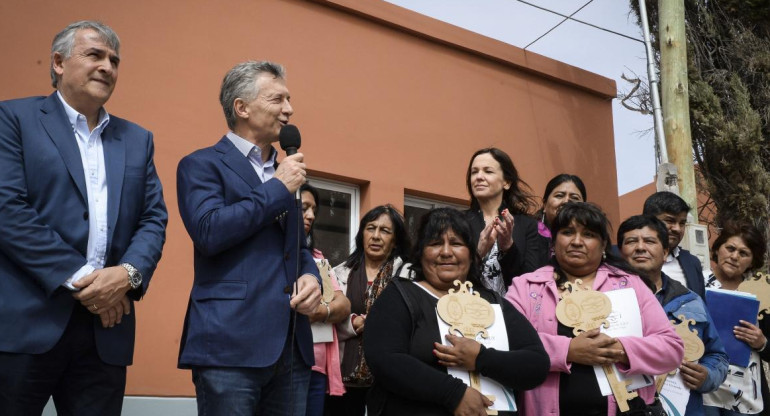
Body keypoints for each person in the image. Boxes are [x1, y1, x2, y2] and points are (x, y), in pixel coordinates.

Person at [0, 20, 168, 415]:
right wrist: (88, 282)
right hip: (28, 323)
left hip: (106, 333)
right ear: (58, 62)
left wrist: (127, 275)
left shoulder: (137, 139)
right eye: (94, 55)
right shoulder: (14, 119)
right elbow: (7, 208)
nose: (108, 66)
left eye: (114, 60)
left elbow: (153, 218)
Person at [176, 61, 322, 415]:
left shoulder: (283, 170)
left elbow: (295, 247)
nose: (289, 109)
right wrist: (277, 188)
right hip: (229, 344)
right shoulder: (201, 165)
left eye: (289, 99)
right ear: (242, 107)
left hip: (291, 347)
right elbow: (210, 231)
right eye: (277, 99)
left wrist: (310, 275)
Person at [363, 208, 549, 415]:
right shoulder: (400, 295)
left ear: (471, 254)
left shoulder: (491, 302)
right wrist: (454, 393)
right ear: (420, 253)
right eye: (435, 244)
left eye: (456, 244)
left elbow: (537, 364)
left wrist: (481, 358)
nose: (445, 252)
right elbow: (384, 360)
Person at [506, 202, 683, 416]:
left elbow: (671, 349)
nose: (577, 242)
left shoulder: (630, 285)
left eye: (588, 234)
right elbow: (508, 346)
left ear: (603, 245)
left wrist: (619, 350)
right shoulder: (526, 286)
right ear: (554, 241)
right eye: (567, 232)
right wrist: (568, 350)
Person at [618, 215, 728, 415]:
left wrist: (707, 375)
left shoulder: (690, 300)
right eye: (632, 241)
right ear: (620, 252)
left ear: (665, 252)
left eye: (650, 241)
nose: (640, 247)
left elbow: (717, 355)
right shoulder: (606, 301)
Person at [329, 205, 411, 416]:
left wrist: (380, 324)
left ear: (395, 241)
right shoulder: (337, 273)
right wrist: (354, 323)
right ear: (362, 234)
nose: (376, 236)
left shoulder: (408, 275)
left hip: (391, 378)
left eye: (385, 231)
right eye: (370, 228)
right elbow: (326, 318)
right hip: (342, 379)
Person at [702, 222, 768, 415]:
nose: (734, 256)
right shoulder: (696, 282)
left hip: (746, 396)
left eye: (743, 253)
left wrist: (762, 342)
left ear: (752, 261)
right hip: (704, 389)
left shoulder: (761, 292)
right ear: (717, 249)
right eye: (730, 248)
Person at [465, 147, 549, 296]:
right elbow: (452, 275)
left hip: (513, 313)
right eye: (474, 172)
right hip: (469, 309)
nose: (478, 177)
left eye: (488, 171)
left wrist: (508, 249)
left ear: (507, 182)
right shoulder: (459, 222)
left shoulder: (528, 225)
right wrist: (478, 253)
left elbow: (532, 283)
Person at [300, 183, 351, 415]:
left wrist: (319, 312)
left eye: (314, 210)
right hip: (281, 365)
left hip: (316, 366)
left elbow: (343, 305)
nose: (311, 216)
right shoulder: (268, 254)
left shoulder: (318, 259)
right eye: (303, 208)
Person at [643, 191, 706, 298]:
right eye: (670, 220)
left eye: (682, 223)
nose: (677, 228)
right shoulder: (621, 257)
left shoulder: (692, 263)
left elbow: (701, 309)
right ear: (648, 220)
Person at [536, 173, 587, 241]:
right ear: (544, 204)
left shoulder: (592, 237)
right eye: (559, 196)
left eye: (574, 198)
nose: (566, 201)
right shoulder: (528, 233)